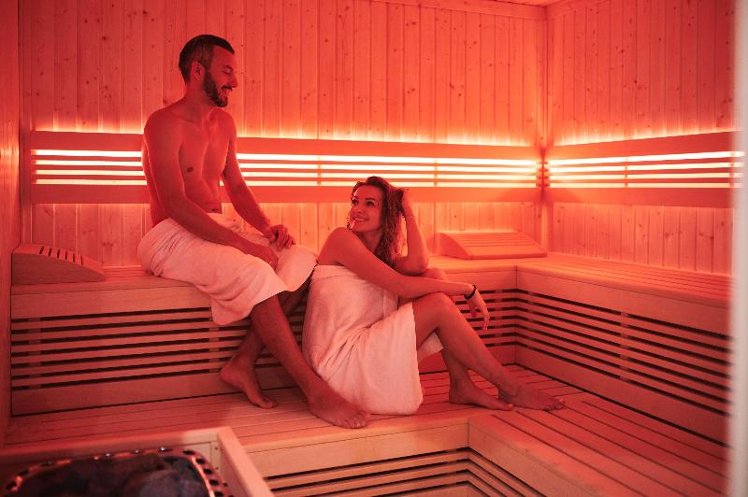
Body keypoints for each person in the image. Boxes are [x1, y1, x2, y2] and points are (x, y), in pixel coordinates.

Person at [136, 34, 368, 429]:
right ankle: (314, 390)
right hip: (170, 237)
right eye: (226, 71)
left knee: (302, 260)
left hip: (217, 228)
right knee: (255, 269)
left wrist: (265, 228)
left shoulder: (224, 124)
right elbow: (174, 203)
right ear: (198, 70)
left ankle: (243, 361)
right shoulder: (162, 124)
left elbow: (236, 186)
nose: (235, 82)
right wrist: (246, 246)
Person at [303, 176, 564, 415]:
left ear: (388, 213)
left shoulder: (382, 256)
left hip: (365, 347)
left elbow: (419, 264)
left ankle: (461, 384)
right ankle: (511, 388)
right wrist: (468, 289)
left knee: (434, 276)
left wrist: (408, 211)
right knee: (438, 302)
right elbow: (401, 286)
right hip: (341, 365)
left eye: (369, 203)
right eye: (355, 201)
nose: (357, 209)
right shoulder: (341, 239)